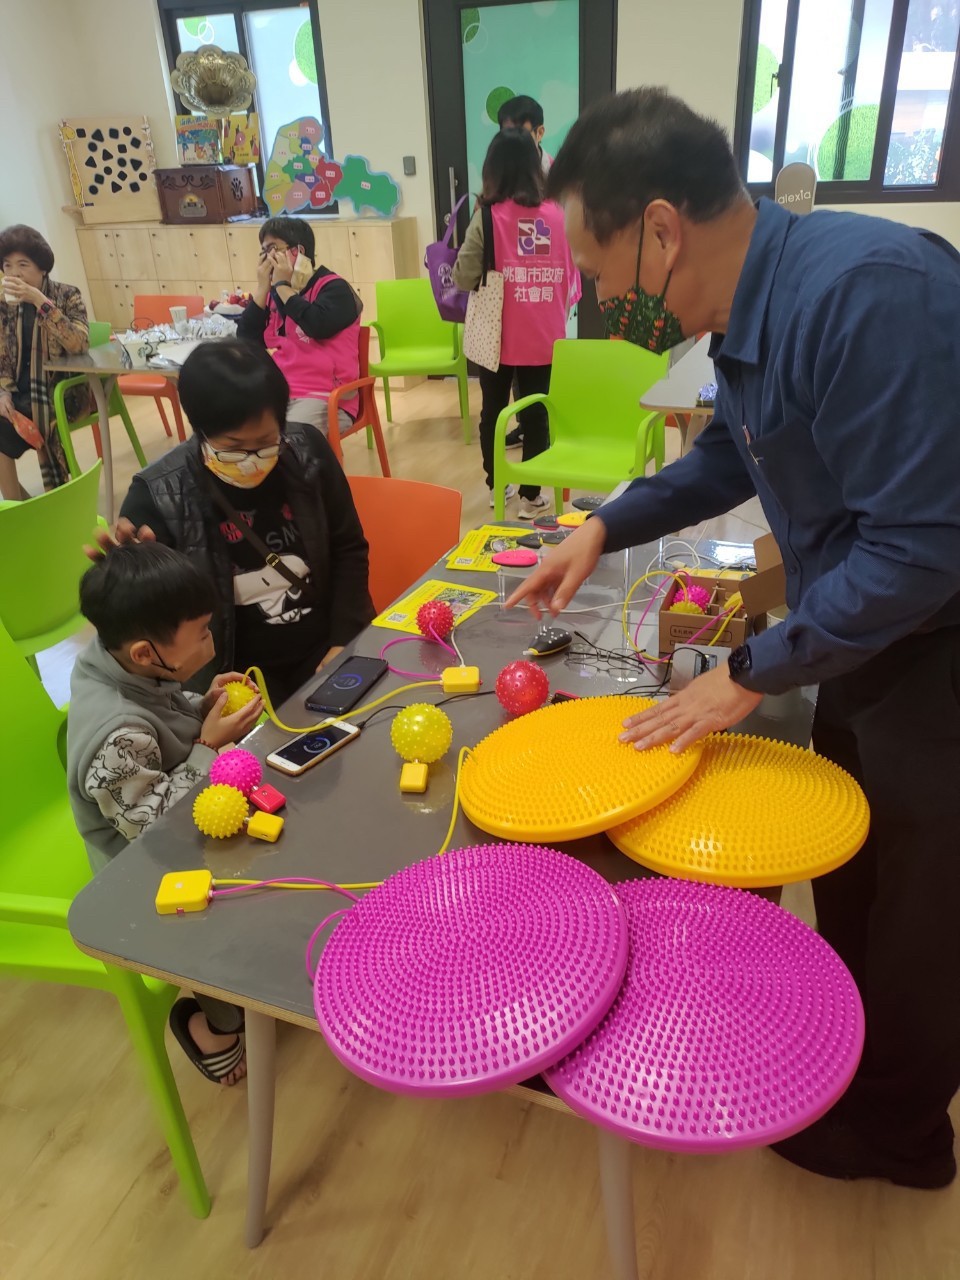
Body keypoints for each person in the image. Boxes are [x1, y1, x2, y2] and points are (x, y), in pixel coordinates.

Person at [509, 87, 960, 1190]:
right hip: (857, 634)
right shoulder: (753, 311)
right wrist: (601, 525)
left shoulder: (863, 296)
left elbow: (920, 548)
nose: (600, 299)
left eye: (602, 272)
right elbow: (730, 454)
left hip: (934, 641)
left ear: (662, 230)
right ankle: (850, 1056)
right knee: (854, 860)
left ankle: (901, 1135)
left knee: (925, 907)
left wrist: (749, 672)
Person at [68, 542, 264, 1084]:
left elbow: (161, 711)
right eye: (200, 633)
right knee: (214, 929)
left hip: (179, 820)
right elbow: (149, 829)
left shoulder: (114, 663)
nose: (210, 639)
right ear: (144, 653)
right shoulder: (116, 734)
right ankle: (213, 1023)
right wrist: (209, 746)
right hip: (141, 871)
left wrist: (200, 706)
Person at [106, 339, 374, 704]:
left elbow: (348, 547)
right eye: (233, 448)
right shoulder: (158, 494)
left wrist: (344, 639)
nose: (252, 460)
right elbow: (149, 634)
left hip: (326, 647)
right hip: (232, 676)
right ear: (201, 430)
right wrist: (131, 580)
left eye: (266, 443)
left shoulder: (307, 450)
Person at [452, 129, 580, 520]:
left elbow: (463, 277)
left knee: (493, 412)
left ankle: (498, 486)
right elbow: (572, 276)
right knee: (537, 412)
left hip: (496, 336)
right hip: (544, 333)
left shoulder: (487, 217)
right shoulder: (559, 214)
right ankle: (531, 495)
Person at [236, 216, 362, 437]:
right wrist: (263, 288)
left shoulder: (335, 288)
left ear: (298, 251)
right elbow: (247, 343)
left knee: (287, 440)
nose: (268, 258)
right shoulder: (274, 294)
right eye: (263, 252)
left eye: (273, 249)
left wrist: (283, 286)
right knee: (227, 429)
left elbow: (317, 326)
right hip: (281, 391)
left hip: (329, 397)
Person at [0, 224, 91, 500]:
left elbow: (79, 344)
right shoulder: (4, 305)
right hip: (18, 392)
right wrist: (3, 391)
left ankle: (18, 509)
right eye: (7, 265)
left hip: (61, 392)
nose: (14, 273)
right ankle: (20, 506)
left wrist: (41, 302)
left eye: (23, 265)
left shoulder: (67, 295)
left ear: (42, 268)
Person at [497, 94, 553, 174]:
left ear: (539, 133)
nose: (513, 141)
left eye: (521, 133)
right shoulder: (496, 169)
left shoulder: (555, 173)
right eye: (507, 134)